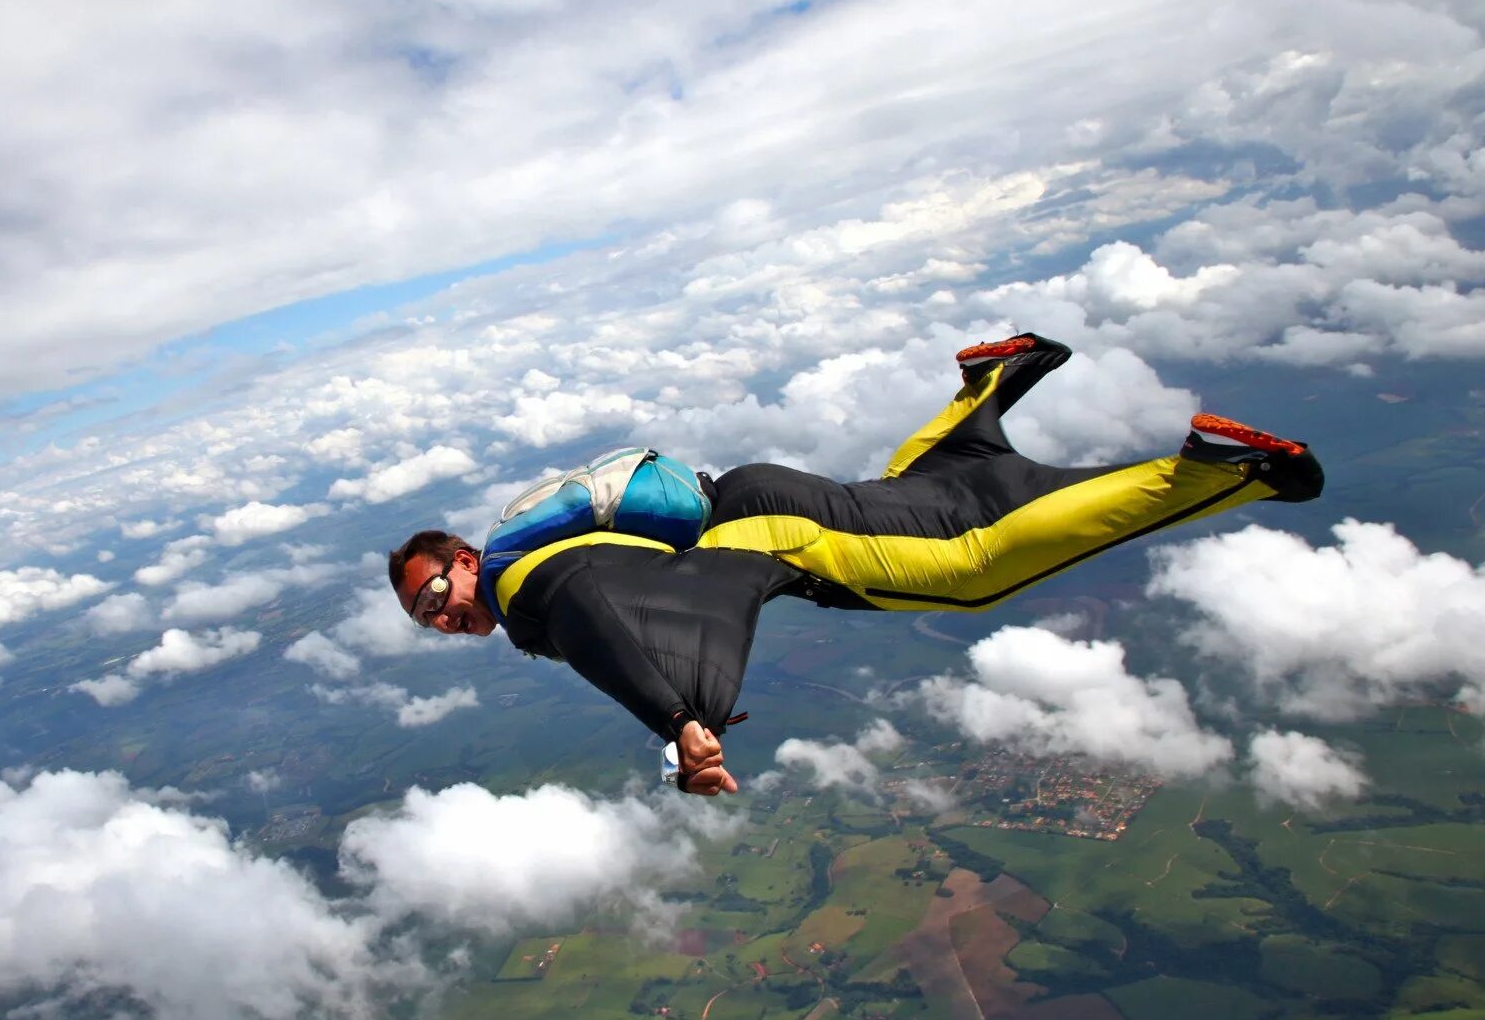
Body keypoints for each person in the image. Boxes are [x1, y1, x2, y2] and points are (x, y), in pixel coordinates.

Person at [388, 335, 1321, 797]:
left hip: (767, 529)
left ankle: (1222, 471)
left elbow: (590, 608)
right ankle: (988, 388)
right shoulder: (520, 553)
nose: (441, 617)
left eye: (434, 593)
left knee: (973, 566)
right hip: (751, 499)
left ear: (462, 560)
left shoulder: (521, 583)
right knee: (925, 498)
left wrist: (677, 718)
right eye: (426, 620)